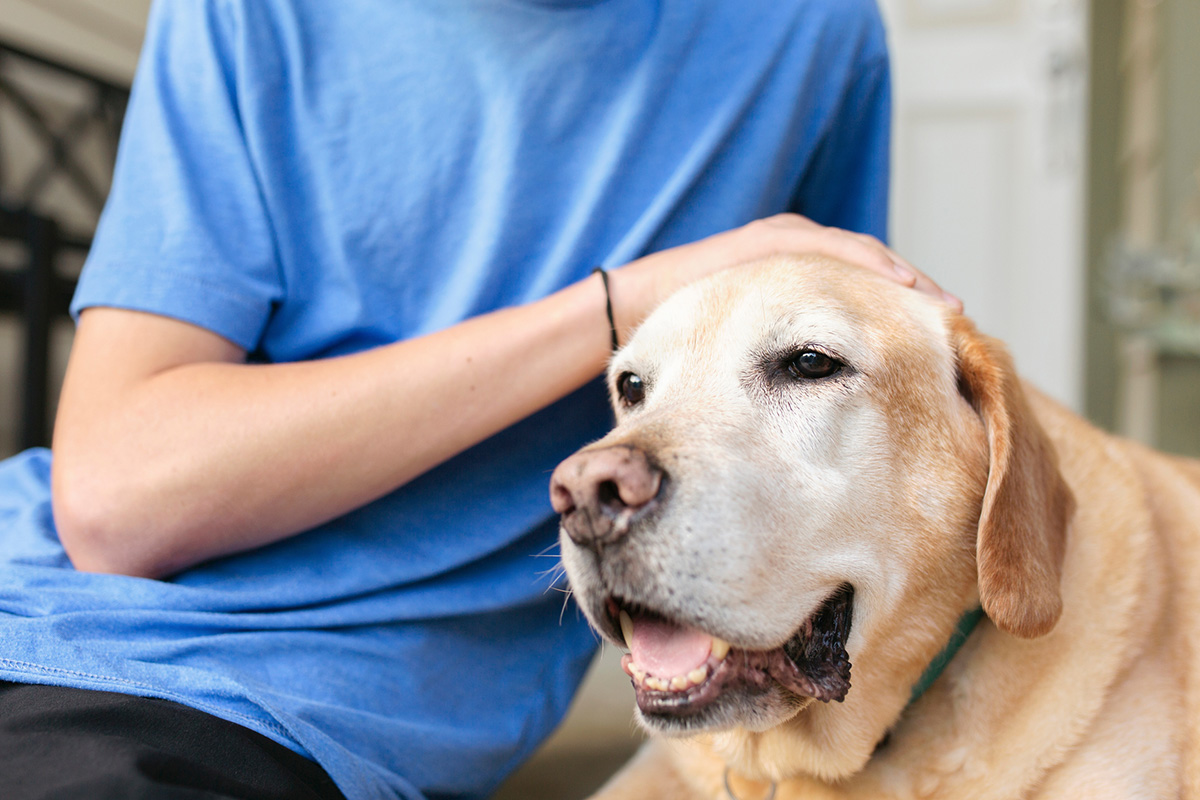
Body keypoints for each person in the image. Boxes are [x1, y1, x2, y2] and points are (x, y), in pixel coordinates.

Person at [0, 1, 957, 799]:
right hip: (43, 613)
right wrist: (616, 304)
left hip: (259, 715)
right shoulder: (247, 12)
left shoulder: (810, 34)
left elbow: (846, 477)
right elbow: (112, 501)